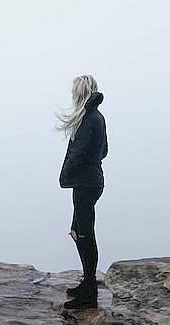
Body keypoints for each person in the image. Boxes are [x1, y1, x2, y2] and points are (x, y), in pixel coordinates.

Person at [56, 74, 107, 309]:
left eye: (74, 90)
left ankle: (90, 290)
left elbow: (80, 152)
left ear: (81, 92)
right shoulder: (96, 117)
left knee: (84, 232)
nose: (72, 94)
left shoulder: (89, 118)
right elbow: (103, 150)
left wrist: (67, 173)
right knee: (79, 231)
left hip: (86, 183)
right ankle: (88, 283)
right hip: (91, 181)